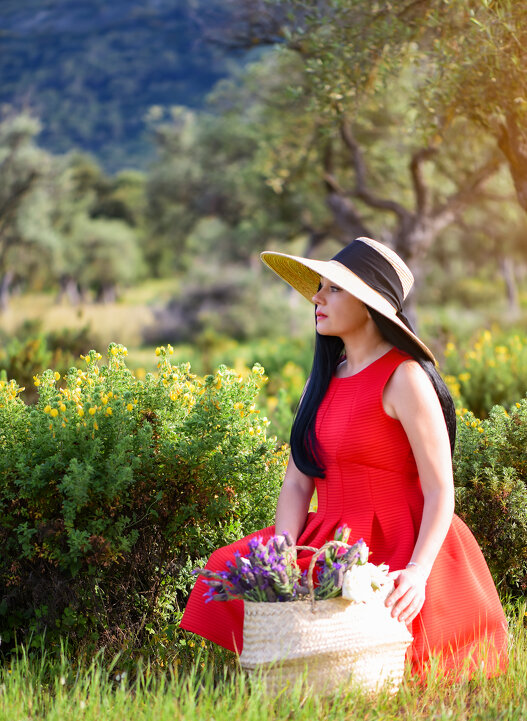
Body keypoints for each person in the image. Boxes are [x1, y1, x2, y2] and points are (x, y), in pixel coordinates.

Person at [180, 237, 508, 678]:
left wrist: (416, 572)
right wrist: (282, 549)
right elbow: (298, 483)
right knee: (225, 568)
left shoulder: (405, 377)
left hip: (400, 539)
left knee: (387, 645)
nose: (317, 298)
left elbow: (439, 490)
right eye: (320, 287)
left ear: (370, 305)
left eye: (333, 288)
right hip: (330, 537)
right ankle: (282, 669)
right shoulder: (321, 382)